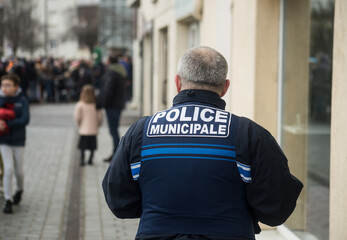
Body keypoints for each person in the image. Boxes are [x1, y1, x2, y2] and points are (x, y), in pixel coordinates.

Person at [102, 46, 303, 240]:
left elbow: (118, 199)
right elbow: (277, 207)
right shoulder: (248, 134)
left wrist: (158, 207)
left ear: (177, 82)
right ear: (225, 87)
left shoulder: (142, 131)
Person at [0, 73, 30, 214]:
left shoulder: (22, 100)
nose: (4, 88)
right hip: (3, 140)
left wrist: (6, 124)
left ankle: (19, 190)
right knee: (8, 169)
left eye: (8, 85)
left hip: (18, 140)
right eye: (3, 85)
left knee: (19, 171)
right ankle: (8, 200)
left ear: (16, 87)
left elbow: (24, 119)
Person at [96, 54, 126, 162]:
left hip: (112, 106)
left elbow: (107, 91)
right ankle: (116, 153)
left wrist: (100, 104)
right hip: (118, 105)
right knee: (114, 129)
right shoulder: (120, 71)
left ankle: (116, 154)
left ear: (109, 61)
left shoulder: (111, 73)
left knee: (113, 130)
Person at [74, 84, 103, 166]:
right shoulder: (96, 105)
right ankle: (90, 160)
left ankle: (82, 159)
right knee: (92, 146)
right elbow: (100, 117)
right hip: (93, 129)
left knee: (82, 146)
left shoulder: (80, 104)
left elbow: (77, 117)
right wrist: (98, 125)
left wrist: (79, 124)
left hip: (83, 130)